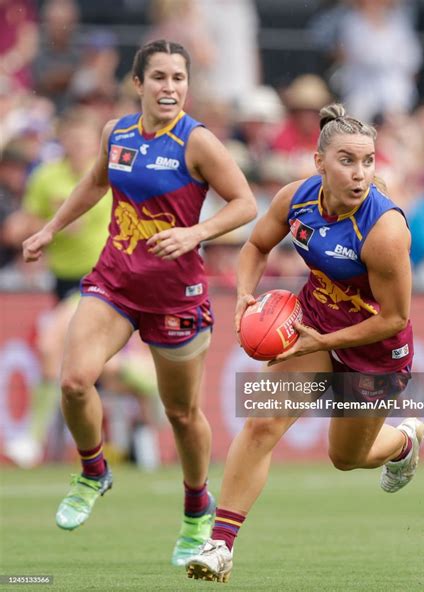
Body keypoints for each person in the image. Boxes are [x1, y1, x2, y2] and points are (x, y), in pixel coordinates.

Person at [22, 39, 257, 566]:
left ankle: (197, 507)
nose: (169, 87)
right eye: (159, 78)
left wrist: (195, 233)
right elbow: (95, 182)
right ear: (138, 84)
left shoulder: (198, 143)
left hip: (177, 295)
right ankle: (93, 472)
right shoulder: (118, 132)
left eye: (178, 78)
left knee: (180, 412)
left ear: (187, 86)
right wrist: (51, 229)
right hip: (116, 281)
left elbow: (244, 203)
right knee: (74, 380)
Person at [185, 103, 424, 582]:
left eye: (368, 161)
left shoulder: (384, 231)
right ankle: (219, 546)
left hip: (375, 352)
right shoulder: (295, 198)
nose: (360, 174)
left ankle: (402, 442)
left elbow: (396, 317)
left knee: (346, 458)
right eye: (346, 160)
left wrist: (328, 338)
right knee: (260, 426)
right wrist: (245, 295)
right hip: (312, 329)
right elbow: (255, 247)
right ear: (319, 162)